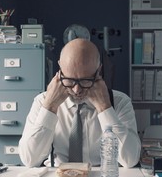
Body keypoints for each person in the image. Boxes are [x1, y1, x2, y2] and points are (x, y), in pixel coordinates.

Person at [19, 38, 141, 167]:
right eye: (70, 80)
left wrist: (105, 108)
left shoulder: (120, 102)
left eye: (85, 80)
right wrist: (50, 107)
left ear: (98, 71)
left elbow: (130, 160)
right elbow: (30, 160)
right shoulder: (42, 102)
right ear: (60, 68)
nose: (77, 90)